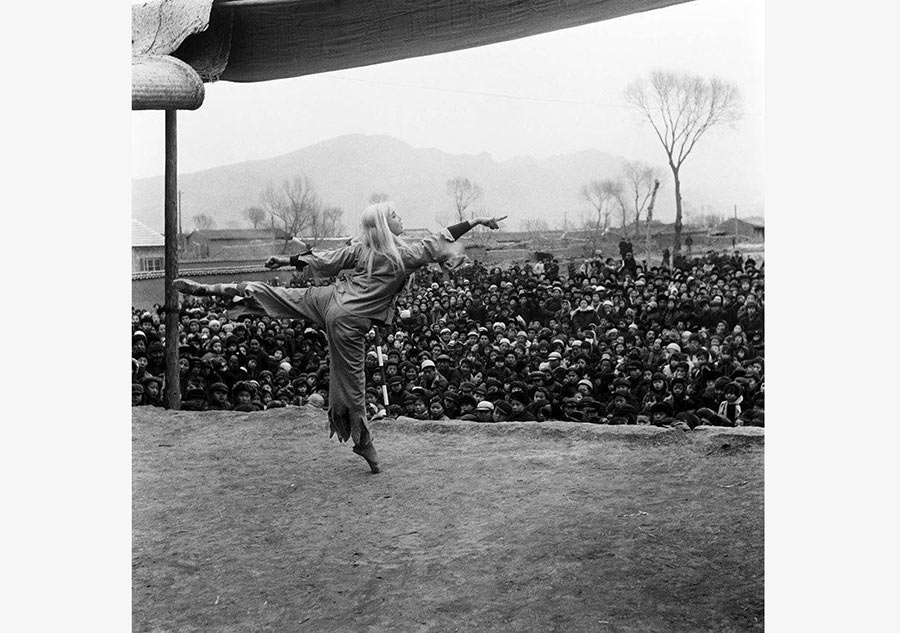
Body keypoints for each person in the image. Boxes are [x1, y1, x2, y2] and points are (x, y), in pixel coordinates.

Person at [175, 202, 506, 473]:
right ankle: (364, 445)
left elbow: (324, 261)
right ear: (384, 224)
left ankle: (223, 290)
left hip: (328, 299)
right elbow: (441, 238)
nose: (400, 217)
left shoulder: (361, 249)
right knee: (352, 385)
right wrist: (474, 222)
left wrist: (289, 260)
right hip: (350, 319)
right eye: (395, 215)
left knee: (284, 296)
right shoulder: (403, 255)